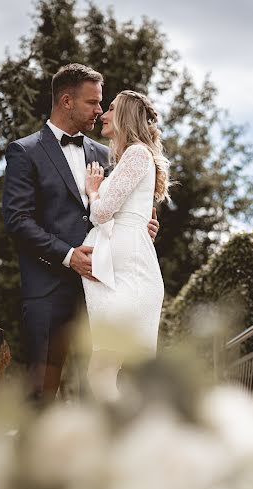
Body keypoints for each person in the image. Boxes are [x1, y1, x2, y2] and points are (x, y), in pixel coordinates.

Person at [2, 64, 159, 406]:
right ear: (67, 101)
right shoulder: (24, 151)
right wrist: (68, 255)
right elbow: (17, 220)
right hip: (49, 289)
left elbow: (117, 207)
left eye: (102, 103)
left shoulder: (107, 154)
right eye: (92, 103)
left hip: (105, 286)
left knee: (103, 387)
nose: (100, 110)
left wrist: (142, 226)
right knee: (41, 392)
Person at [82, 90, 170, 400]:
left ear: (125, 116)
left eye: (111, 109)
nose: (103, 114)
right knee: (109, 370)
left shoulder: (136, 154)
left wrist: (94, 190)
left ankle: (127, 434)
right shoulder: (132, 157)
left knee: (102, 371)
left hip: (126, 274)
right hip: (122, 267)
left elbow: (103, 212)